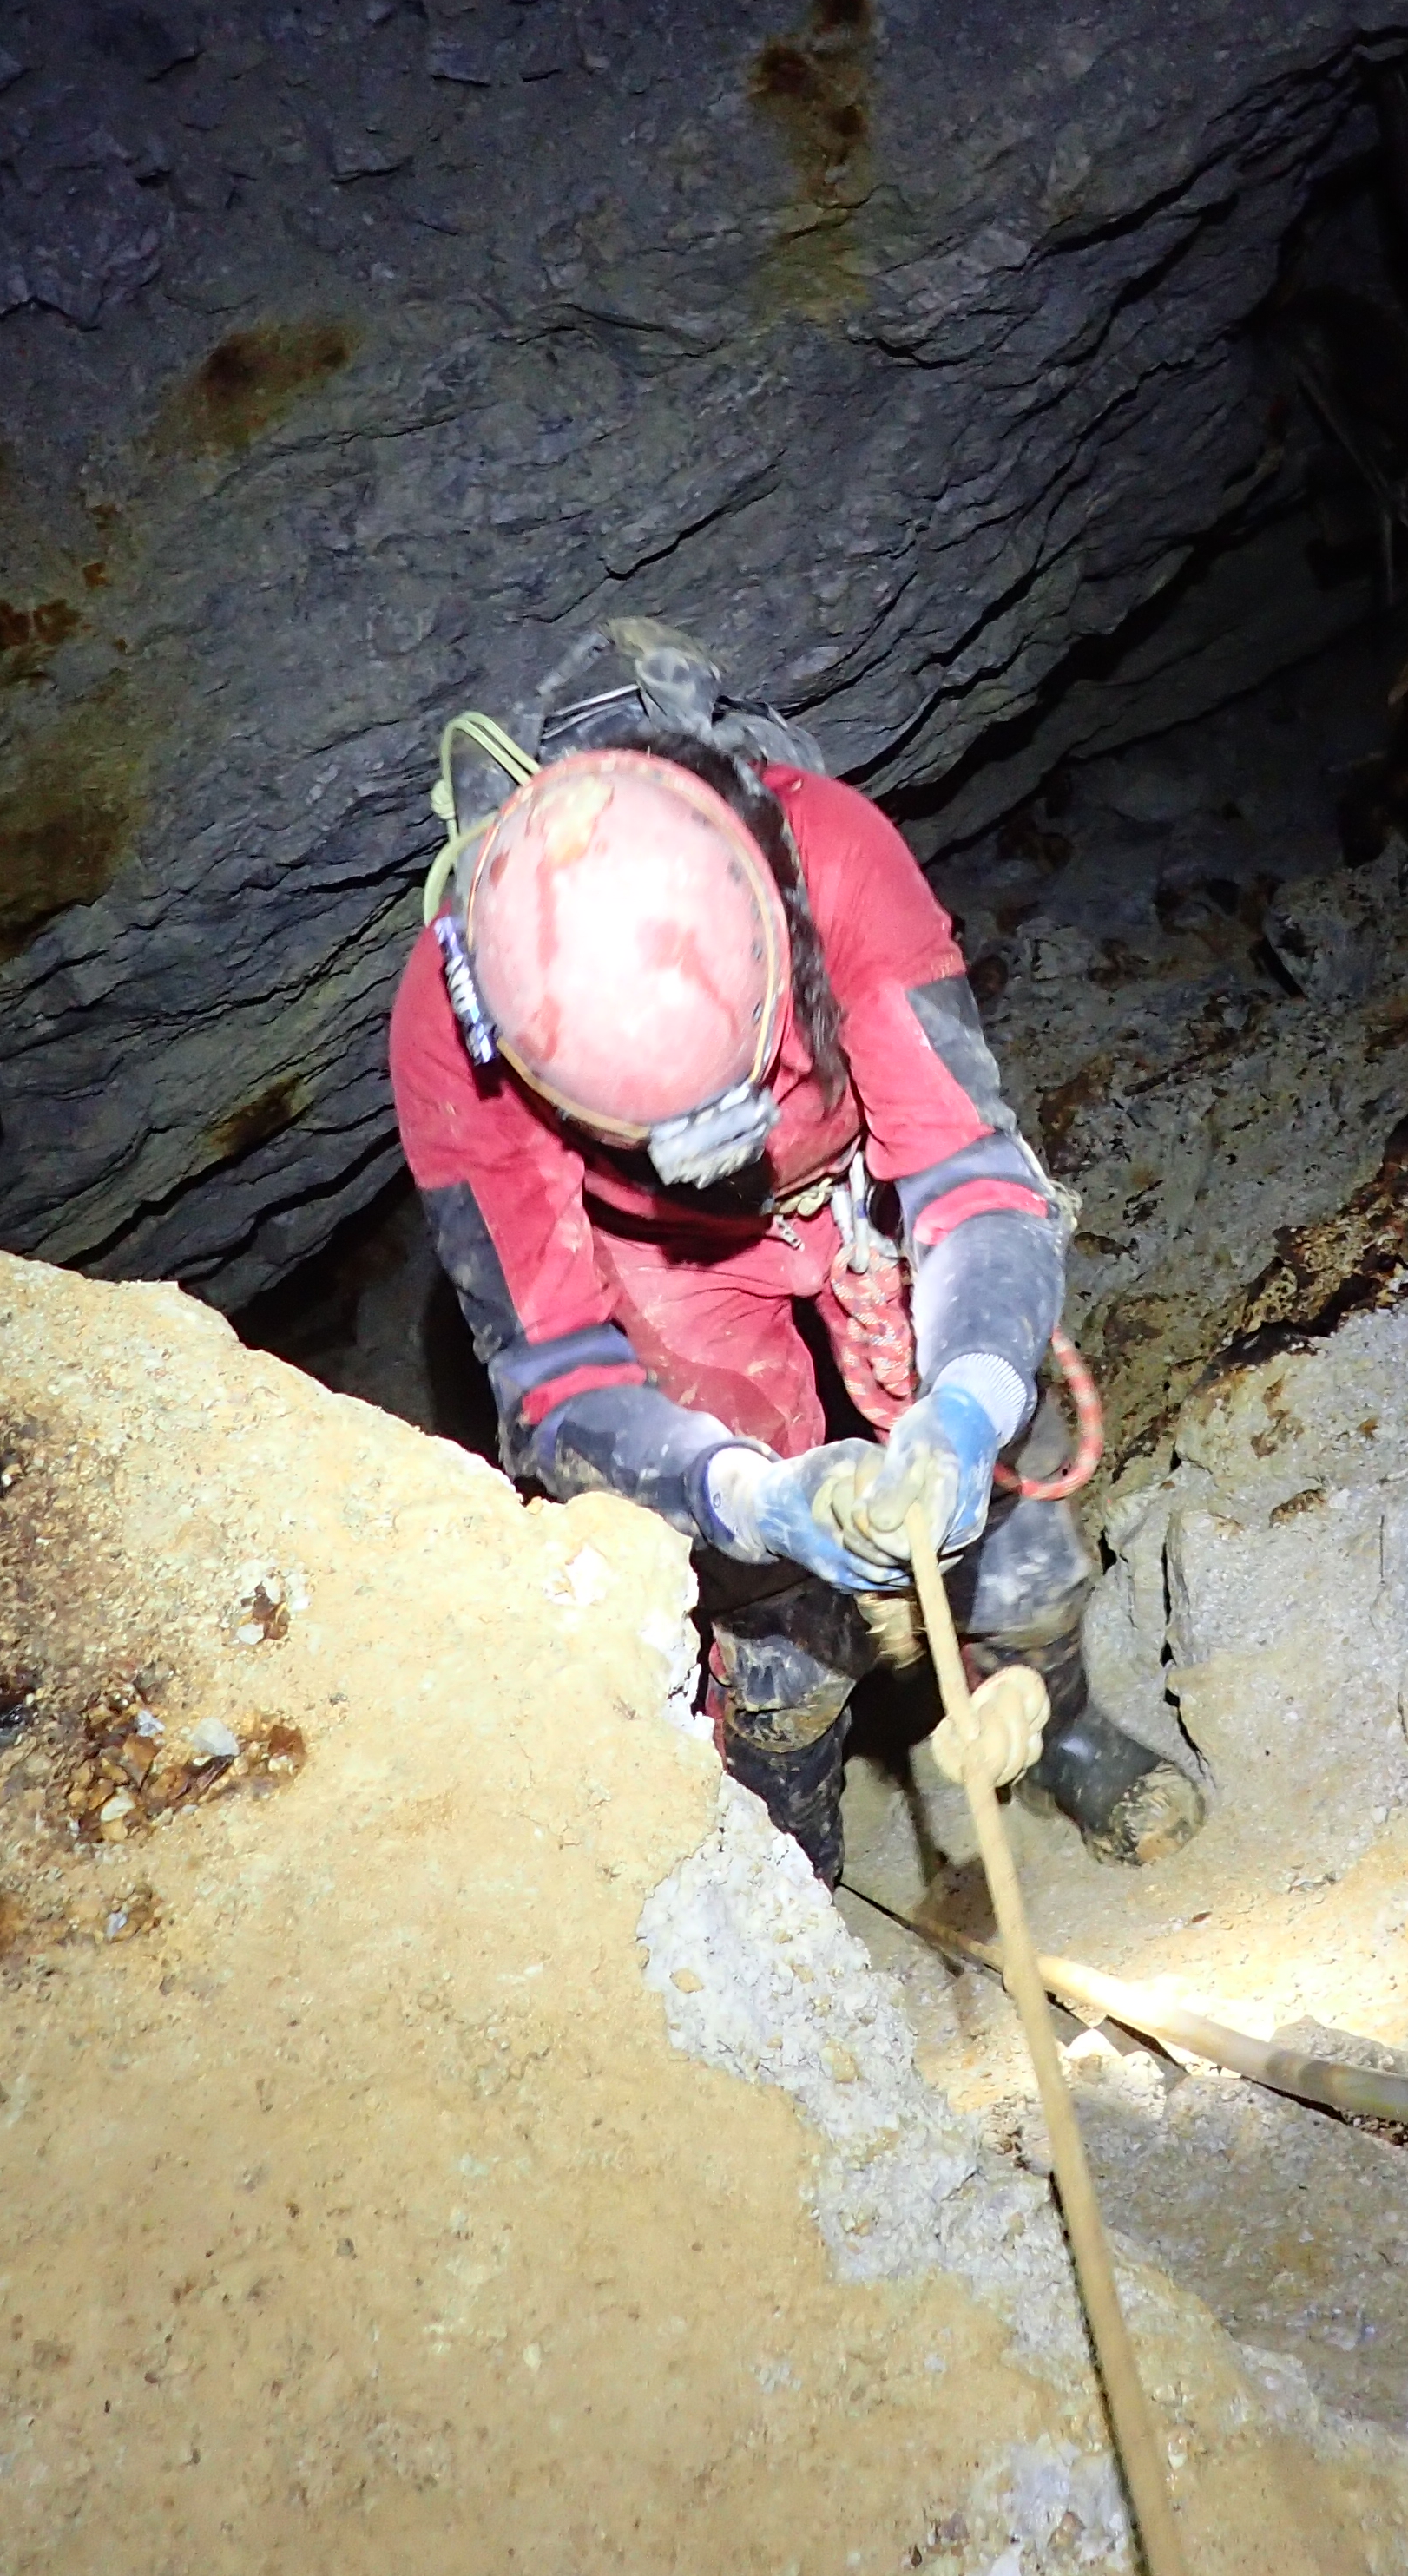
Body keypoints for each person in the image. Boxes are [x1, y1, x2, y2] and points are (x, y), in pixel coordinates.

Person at [389, 619, 1206, 1889]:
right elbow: (552, 1373)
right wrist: (743, 1497)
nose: (703, 1148)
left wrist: (973, 1396)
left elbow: (968, 1175)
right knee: (774, 1610)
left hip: (853, 1178)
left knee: (1007, 1507)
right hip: (665, 1266)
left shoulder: (822, 850)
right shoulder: (457, 1032)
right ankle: (788, 1872)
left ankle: (1062, 1729)